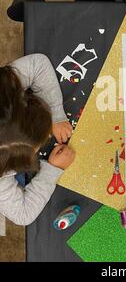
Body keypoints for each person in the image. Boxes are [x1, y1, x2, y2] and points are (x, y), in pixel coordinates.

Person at [0, 54, 74, 226]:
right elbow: (23, 215)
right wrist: (52, 170)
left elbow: (38, 64)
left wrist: (56, 114)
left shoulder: (5, 89)